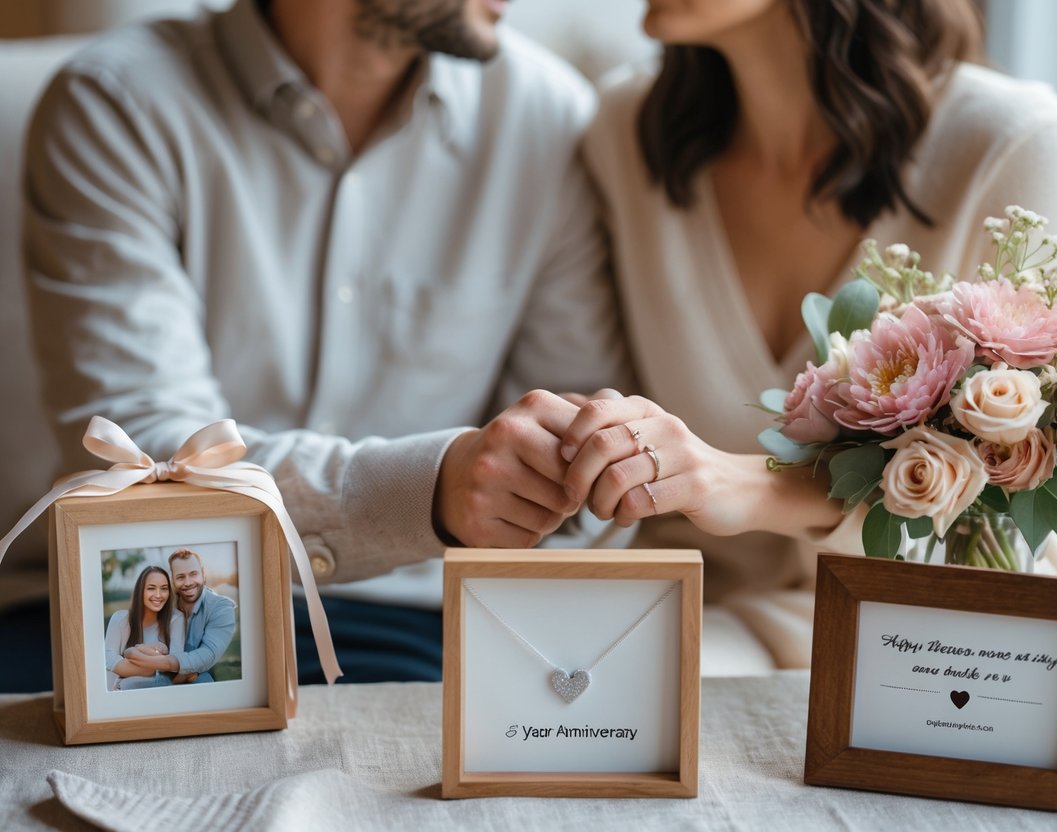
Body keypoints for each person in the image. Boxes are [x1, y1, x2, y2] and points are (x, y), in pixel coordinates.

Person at [22, 0, 630, 688]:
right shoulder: (118, 105)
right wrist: (431, 491)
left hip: (420, 625)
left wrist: (585, 465)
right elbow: (142, 462)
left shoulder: (549, 122)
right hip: (143, 614)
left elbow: (578, 475)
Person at [562, 0, 1057, 670]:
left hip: (947, 619)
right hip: (705, 610)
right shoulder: (624, 133)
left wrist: (752, 489)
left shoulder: (1009, 139)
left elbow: (1014, 498)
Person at [120, 549, 239, 684]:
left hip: (195, 676)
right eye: (181, 577)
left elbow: (207, 655)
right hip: (156, 673)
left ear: (203, 573)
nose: (188, 582)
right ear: (172, 579)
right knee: (129, 685)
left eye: (193, 574)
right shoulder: (162, 603)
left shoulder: (221, 608)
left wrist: (156, 662)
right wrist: (137, 653)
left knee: (204, 683)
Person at [103, 565, 186, 691]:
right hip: (117, 693)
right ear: (140, 591)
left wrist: (137, 652)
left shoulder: (176, 619)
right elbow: (109, 659)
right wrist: (152, 668)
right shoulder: (120, 619)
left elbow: (175, 663)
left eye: (164, 589)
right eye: (151, 588)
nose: (158, 595)